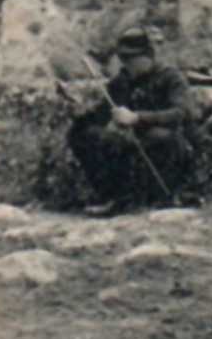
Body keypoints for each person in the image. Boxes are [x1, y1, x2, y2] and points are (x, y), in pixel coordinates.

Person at [67, 28, 200, 216]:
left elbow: (183, 112)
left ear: (147, 56)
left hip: (171, 146)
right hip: (134, 142)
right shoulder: (122, 81)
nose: (125, 64)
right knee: (84, 134)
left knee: (161, 138)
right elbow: (103, 113)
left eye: (130, 58)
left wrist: (137, 118)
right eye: (122, 58)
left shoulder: (170, 77)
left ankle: (167, 195)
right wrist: (82, 113)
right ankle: (111, 196)